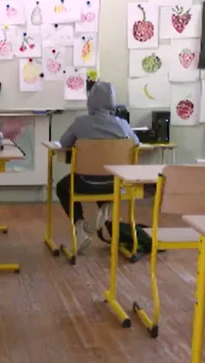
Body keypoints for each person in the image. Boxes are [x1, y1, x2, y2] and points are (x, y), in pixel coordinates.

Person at [56, 81, 140, 252]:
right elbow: (136, 143)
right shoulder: (122, 124)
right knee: (106, 178)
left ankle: (80, 227)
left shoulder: (80, 123)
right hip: (116, 183)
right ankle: (105, 206)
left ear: (90, 101)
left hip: (85, 182)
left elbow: (64, 143)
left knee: (62, 187)